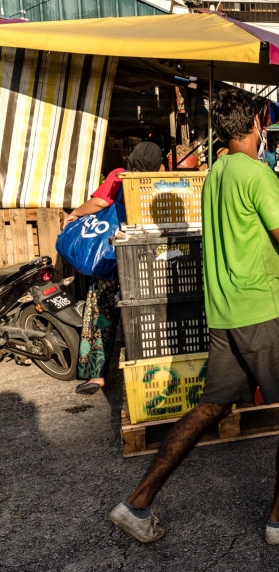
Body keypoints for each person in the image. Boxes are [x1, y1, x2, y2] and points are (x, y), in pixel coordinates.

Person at [109, 89, 279, 545]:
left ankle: (136, 504)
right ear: (256, 125)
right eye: (264, 123)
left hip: (224, 314)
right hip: (259, 311)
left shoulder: (217, 173)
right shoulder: (257, 175)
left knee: (209, 408)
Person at [64, 142, 164, 395]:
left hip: (112, 256)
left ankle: (95, 376)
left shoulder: (120, 176)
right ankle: (150, 369)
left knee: (100, 312)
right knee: (146, 314)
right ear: (157, 164)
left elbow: (99, 202)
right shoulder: (160, 182)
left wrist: (75, 213)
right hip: (145, 260)